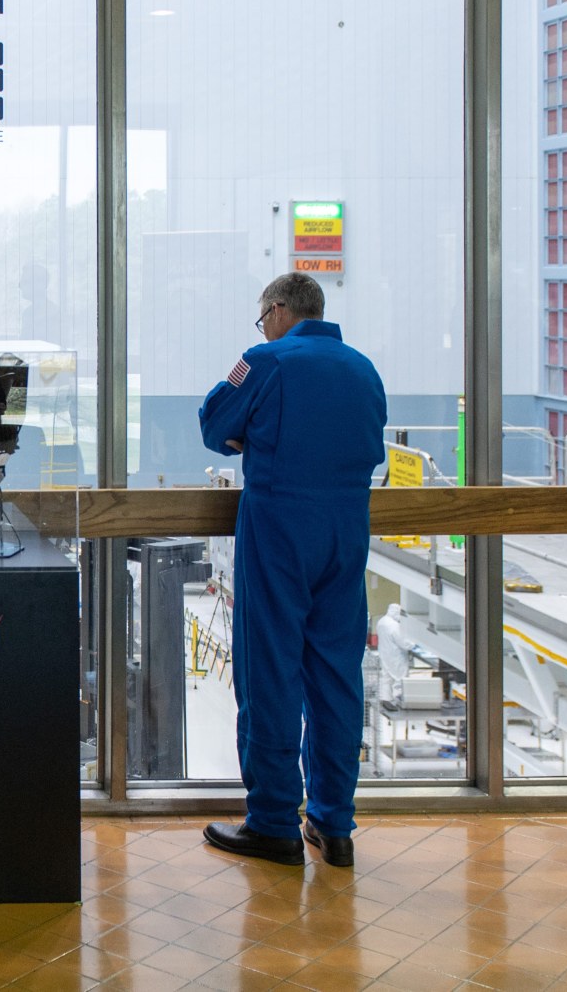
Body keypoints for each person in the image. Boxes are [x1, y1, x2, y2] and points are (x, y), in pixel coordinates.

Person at [198, 271, 386, 868]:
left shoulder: (264, 361)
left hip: (280, 528)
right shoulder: (364, 370)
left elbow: (212, 425)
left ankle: (274, 821)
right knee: (335, 675)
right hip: (345, 532)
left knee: (269, 670)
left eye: (263, 319)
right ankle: (334, 827)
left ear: (277, 310)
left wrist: (247, 440)